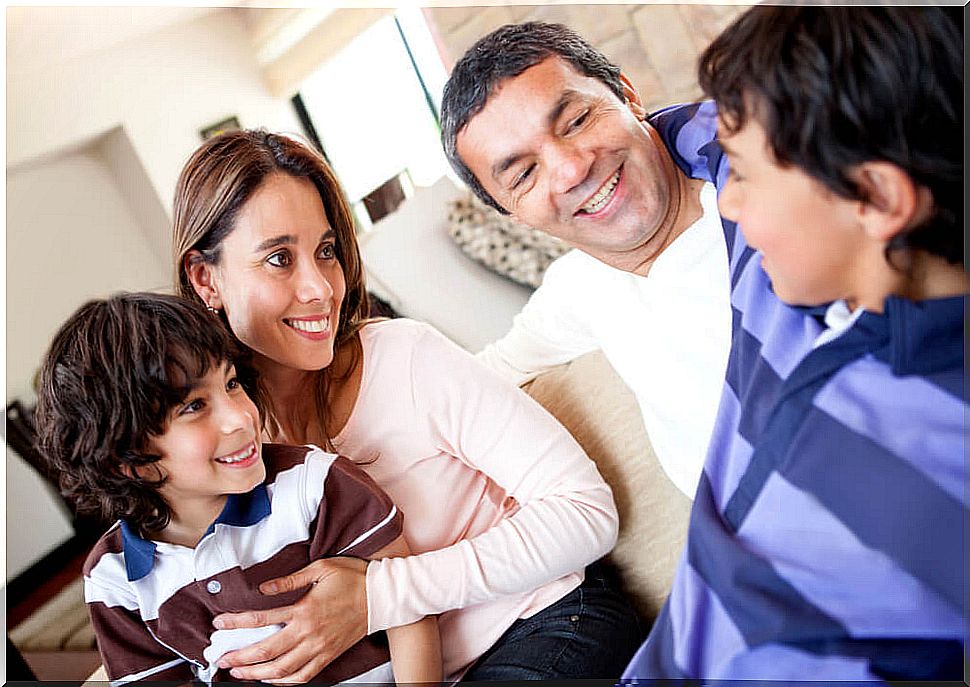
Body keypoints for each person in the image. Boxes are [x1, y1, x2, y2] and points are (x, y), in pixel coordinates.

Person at [170, 129, 643, 682]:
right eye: (279, 259)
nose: (321, 289)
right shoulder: (226, 446)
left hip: (549, 622)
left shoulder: (404, 359)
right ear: (206, 279)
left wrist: (380, 594)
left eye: (325, 252)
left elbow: (586, 510)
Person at [620, 6, 966, 680]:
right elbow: (694, 135)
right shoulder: (796, 286)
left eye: (742, 173)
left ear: (873, 196)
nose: (724, 201)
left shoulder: (943, 447)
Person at [34, 292, 440, 685]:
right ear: (124, 460)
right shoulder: (113, 578)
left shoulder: (313, 485)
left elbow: (410, 610)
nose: (240, 418)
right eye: (194, 406)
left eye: (230, 384)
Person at [440, 22, 732, 499]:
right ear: (514, 216)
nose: (572, 169)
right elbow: (463, 391)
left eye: (576, 121)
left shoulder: (775, 185)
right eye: (524, 175)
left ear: (628, 96)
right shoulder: (577, 287)